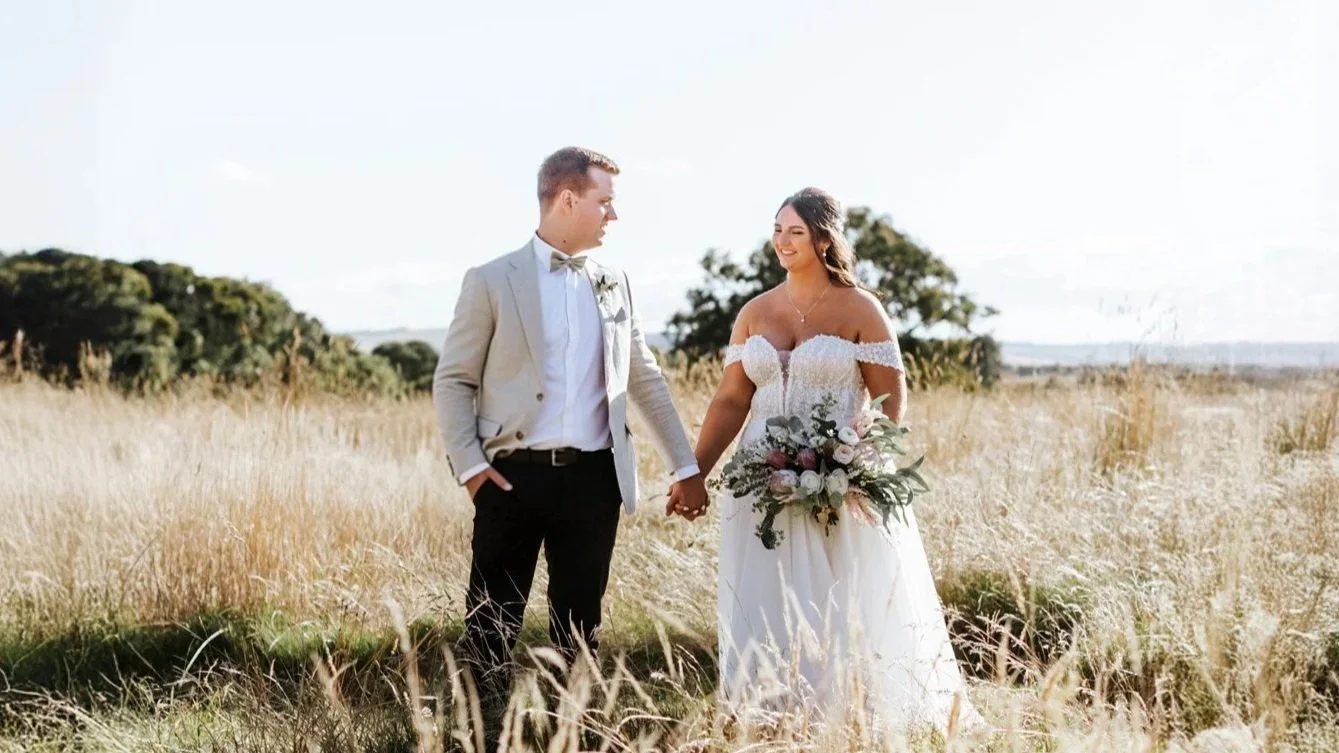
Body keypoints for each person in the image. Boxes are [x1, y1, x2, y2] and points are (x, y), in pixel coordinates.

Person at [431, 146, 709, 744]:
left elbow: (645, 377)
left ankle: (577, 735)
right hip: (510, 480)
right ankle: (479, 739)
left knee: (581, 627)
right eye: (604, 201)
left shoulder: (615, 282)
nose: (613, 215)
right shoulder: (490, 280)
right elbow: (452, 381)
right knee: (490, 626)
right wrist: (473, 469)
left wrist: (685, 465)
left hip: (593, 482)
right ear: (566, 199)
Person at [691, 187, 985, 734]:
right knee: (765, 598)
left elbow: (890, 399)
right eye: (777, 229)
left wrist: (855, 464)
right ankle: (771, 718)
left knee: (842, 597)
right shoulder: (755, 312)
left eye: (795, 232)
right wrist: (695, 472)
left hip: (840, 481)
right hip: (761, 482)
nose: (782, 241)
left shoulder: (860, 308)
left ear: (825, 239)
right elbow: (731, 399)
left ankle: (850, 718)